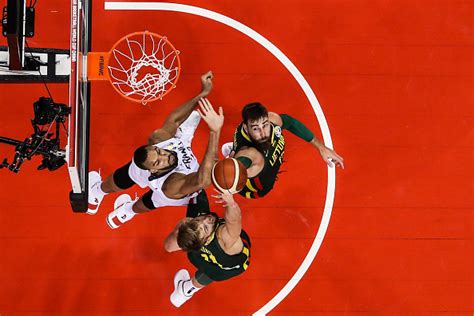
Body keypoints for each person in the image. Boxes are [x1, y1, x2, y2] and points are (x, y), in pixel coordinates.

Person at [87, 71, 224, 229]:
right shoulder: (172, 183)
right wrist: (215, 131)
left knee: (147, 202)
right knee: (133, 177)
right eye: (159, 161)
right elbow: (203, 180)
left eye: (160, 152)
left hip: (174, 191)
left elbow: (175, 119)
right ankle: (98, 193)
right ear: (153, 170)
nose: (165, 156)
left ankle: (126, 210)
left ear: (155, 147)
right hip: (182, 184)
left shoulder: (159, 140)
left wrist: (203, 93)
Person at [222, 102, 344, 199]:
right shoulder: (248, 153)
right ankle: (232, 158)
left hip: (263, 159)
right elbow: (240, 165)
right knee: (253, 163)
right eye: (256, 129)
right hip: (254, 189)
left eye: (265, 125)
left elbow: (290, 123)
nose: (263, 133)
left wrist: (321, 147)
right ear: (246, 129)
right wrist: (230, 177)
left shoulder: (273, 120)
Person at [164, 190, 251, 308]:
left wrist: (181, 228)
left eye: (199, 220)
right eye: (205, 227)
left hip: (203, 256)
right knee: (208, 274)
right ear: (204, 241)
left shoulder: (194, 235)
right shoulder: (225, 237)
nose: (207, 219)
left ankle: (185, 291)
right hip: (226, 268)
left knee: (196, 192)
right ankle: (186, 289)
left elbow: (168, 246)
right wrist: (230, 203)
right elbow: (234, 221)